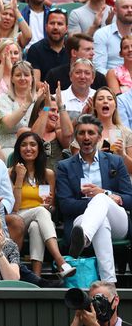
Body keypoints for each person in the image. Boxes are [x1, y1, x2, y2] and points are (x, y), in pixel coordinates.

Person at [58, 115, 132, 283]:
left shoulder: (115, 162)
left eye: (91, 133)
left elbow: (129, 198)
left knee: (100, 199)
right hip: (81, 220)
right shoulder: (64, 166)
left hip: (118, 221)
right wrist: (97, 205)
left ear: (99, 137)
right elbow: (65, 205)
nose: (86, 137)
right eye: (82, 133)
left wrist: (104, 194)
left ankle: (83, 237)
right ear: (76, 138)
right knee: (100, 223)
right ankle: (109, 283)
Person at [7, 131, 74, 277]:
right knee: (40, 212)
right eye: (24, 145)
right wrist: (19, 178)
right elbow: (14, 208)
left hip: (40, 218)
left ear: (39, 149)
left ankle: (36, 277)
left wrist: (50, 205)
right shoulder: (10, 172)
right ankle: (61, 261)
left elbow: (53, 208)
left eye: (32, 144)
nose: (28, 148)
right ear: (18, 149)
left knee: (36, 225)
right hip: (18, 218)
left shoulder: (48, 174)